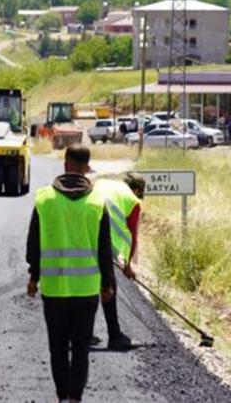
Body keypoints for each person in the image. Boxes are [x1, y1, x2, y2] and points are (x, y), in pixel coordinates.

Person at [26, 144, 115, 403]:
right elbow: (104, 249)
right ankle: (75, 398)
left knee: (57, 346)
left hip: (54, 290)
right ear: (87, 169)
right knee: (80, 348)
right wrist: (107, 285)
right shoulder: (97, 202)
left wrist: (34, 277)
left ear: (65, 165)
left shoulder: (44, 199)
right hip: (87, 290)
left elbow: (34, 244)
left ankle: (62, 395)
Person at [90, 172, 146, 350]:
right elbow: (133, 236)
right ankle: (115, 337)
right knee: (108, 285)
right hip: (106, 241)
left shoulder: (102, 183)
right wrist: (128, 265)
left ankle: (83, 333)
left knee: (87, 285)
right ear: (137, 190)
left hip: (83, 232)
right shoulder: (132, 200)